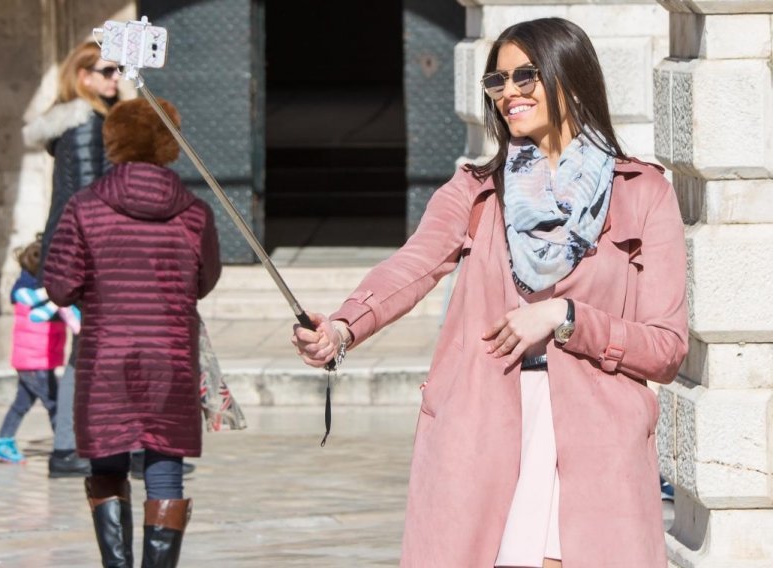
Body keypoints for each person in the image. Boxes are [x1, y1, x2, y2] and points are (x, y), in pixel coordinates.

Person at [292, 17, 688, 568]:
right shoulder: (476, 190)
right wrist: (341, 327)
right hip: (486, 424)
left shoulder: (642, 193)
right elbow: (414, 264)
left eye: (525, 76)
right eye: (497, 82)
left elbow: (667, 348)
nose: (509, 94)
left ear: (569, 79)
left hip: (597, 435)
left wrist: (566, 316)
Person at [43, 97, 221, 567]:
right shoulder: (195, 212)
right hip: (170, 358)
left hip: (106, 357)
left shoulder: (85, 208)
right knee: (166, 465)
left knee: (107, 461)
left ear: (113, 143)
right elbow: (204, 281)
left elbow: (60, 286)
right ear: (169, 144)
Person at [23, 40, 121, 478]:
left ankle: (84, 444)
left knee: (91, 352)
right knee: (91, 354)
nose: (115, 78)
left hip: (80, 257)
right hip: (85, 259)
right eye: (107, 70)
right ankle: (69, 447)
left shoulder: (90, 121)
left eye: (118, 70)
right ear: (82, 77)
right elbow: (86, 201)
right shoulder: (85, 126)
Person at [0, 236, 79, 464]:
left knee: (22, 403)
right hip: (36, 362)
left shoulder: (27, 288)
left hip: (32, 361)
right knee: (55, 404)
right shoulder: (31, 294)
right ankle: (65, 446)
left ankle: (3, 441)